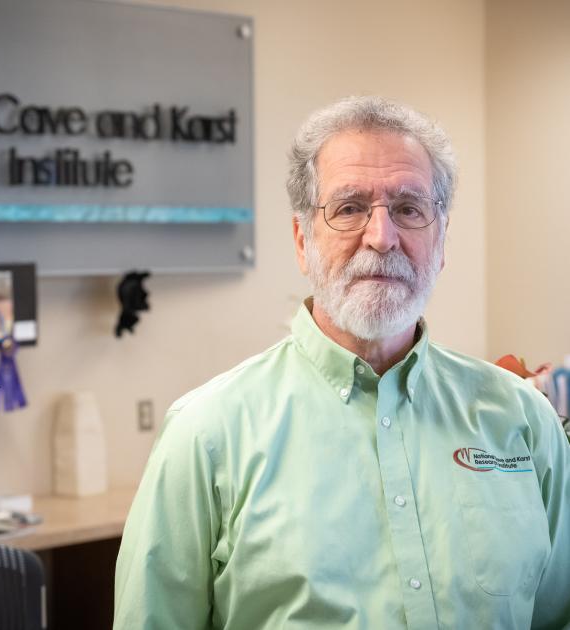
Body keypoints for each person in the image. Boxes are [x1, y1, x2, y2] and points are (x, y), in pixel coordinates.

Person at [114, 96, 570, 629]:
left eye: (408, 208)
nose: (381, 237)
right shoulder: (207, 435)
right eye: (350, 207)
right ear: (302, 240)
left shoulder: (521, 420)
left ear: (441, 239)